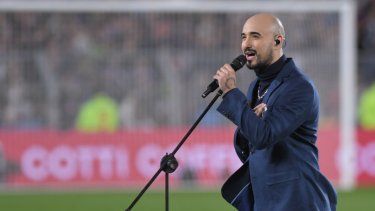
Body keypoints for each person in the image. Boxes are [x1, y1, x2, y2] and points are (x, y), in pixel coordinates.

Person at [213, 13, 337, 211]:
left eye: (255, 36)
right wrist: (252, 120)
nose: (246, 43)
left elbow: (264, 137)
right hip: (266, 200)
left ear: (278, 41)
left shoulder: (299, 87)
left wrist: (231, 93)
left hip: (297, 200)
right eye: (243, 37)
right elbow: (250, 145)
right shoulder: (257, 86)